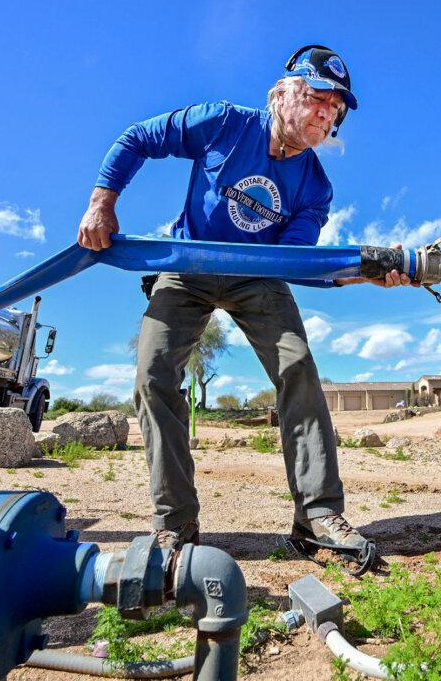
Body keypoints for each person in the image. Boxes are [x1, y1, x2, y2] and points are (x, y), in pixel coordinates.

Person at [77, 45, 412, 569]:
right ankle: (175, 527)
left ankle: (317, 518)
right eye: (316, 96)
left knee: (297, 367)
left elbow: (298, 260)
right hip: (186, 264)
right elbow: (137, 138)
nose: (326, 112)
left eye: (335, 108)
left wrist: (363, 273)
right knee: (153, 374)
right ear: (281, 93)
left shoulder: (315, 187)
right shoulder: (223, 124)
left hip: (257, 275)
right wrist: (103, 201)